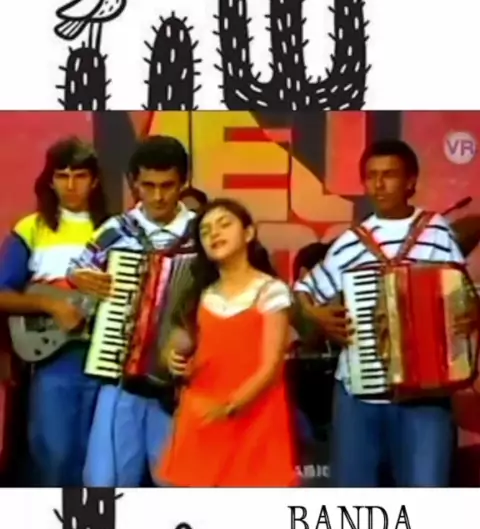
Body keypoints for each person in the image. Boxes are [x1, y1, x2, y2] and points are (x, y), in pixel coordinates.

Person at [294, 138, 478, 488]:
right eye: (371, 176)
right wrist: (318, 317)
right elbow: (303, 292)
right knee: (355, 497)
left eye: (389, 175)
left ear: (410, 181)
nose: (378, 185)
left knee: (426, 491)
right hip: (359, 394)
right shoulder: (351, 242)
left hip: (427, 393)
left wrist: (469, 312)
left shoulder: (437, 232)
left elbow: (462, 292)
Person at [68, 135, 197, 487]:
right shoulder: (115, 231)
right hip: (121, 370)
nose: (157, 196)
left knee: (179, 482)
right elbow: (78, 275)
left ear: (183, 183)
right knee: (109, 478)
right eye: (148, 186)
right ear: (133, 183)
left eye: (167, 186)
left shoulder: (202, 232)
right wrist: (82, 281)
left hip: (185, 380)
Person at [155, 198, 298, 487]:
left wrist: (230, 406)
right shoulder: (200, 295)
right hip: (203, 416)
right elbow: (177, 345)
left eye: (224, 225)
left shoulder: (271, 291)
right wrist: (171, 358)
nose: (214, 234)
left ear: (248, 233)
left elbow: (271, 368)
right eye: (206, 231)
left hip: (253, 416)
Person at [0, 137, 108, 486]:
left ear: (95, 181)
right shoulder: (31, 228)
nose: (71, 185)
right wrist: (51, 305)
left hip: (109, 362)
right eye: (62, 175)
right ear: (50, 181)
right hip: (54, 361)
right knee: (55, 458)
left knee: (99, 464)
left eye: (80, 175)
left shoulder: (116, 229)